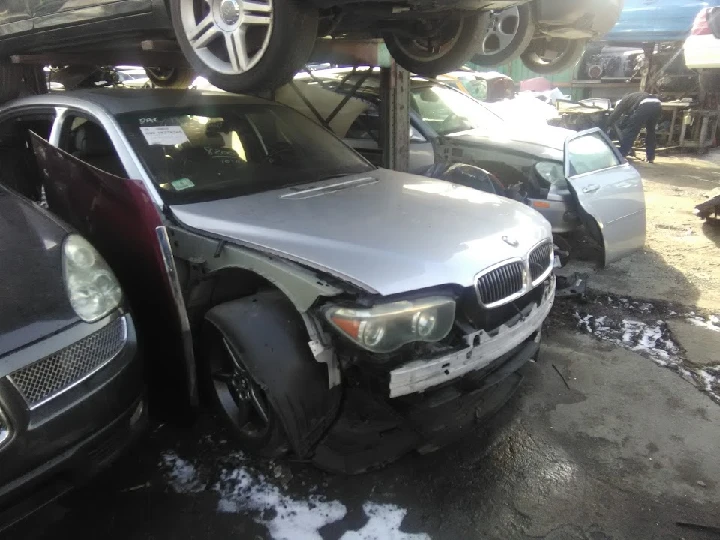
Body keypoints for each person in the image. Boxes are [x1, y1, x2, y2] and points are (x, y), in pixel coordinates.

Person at [606, 91, 662, 163]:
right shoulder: (635, 96)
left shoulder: (623, 101)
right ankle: (650, 157)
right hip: (657, 104)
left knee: (631, 131)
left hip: (645, 105)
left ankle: (622, 154)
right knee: (651, 131)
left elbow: (616, 114)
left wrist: (607, 124)